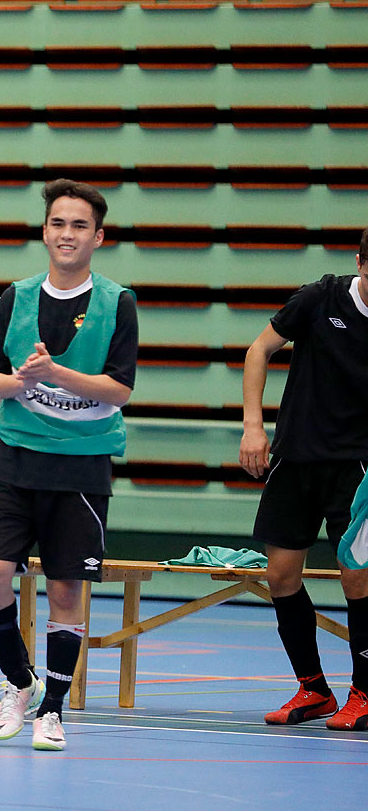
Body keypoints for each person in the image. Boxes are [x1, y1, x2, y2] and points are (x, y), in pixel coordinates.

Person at [0, 179, 138, 752]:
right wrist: (20, 380)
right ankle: (18, 682)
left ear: (98, 236)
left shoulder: (118, 302)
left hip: (81, 467)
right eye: (58, 223)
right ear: (45, 231)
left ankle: (52, 710)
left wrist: (57, 375)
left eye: (78, 225)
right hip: (17, 459)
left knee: (67, 591)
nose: (66, 234)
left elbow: (119, 390)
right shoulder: (15, 298)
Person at [238, 230, 368, 731]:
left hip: (357, 468)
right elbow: (259, 350)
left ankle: (363, 691)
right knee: (281, 576)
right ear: (359, 261)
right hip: (295, 459)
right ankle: (313, 689)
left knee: (357, 577)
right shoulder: (321, 297)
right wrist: (254, 426)